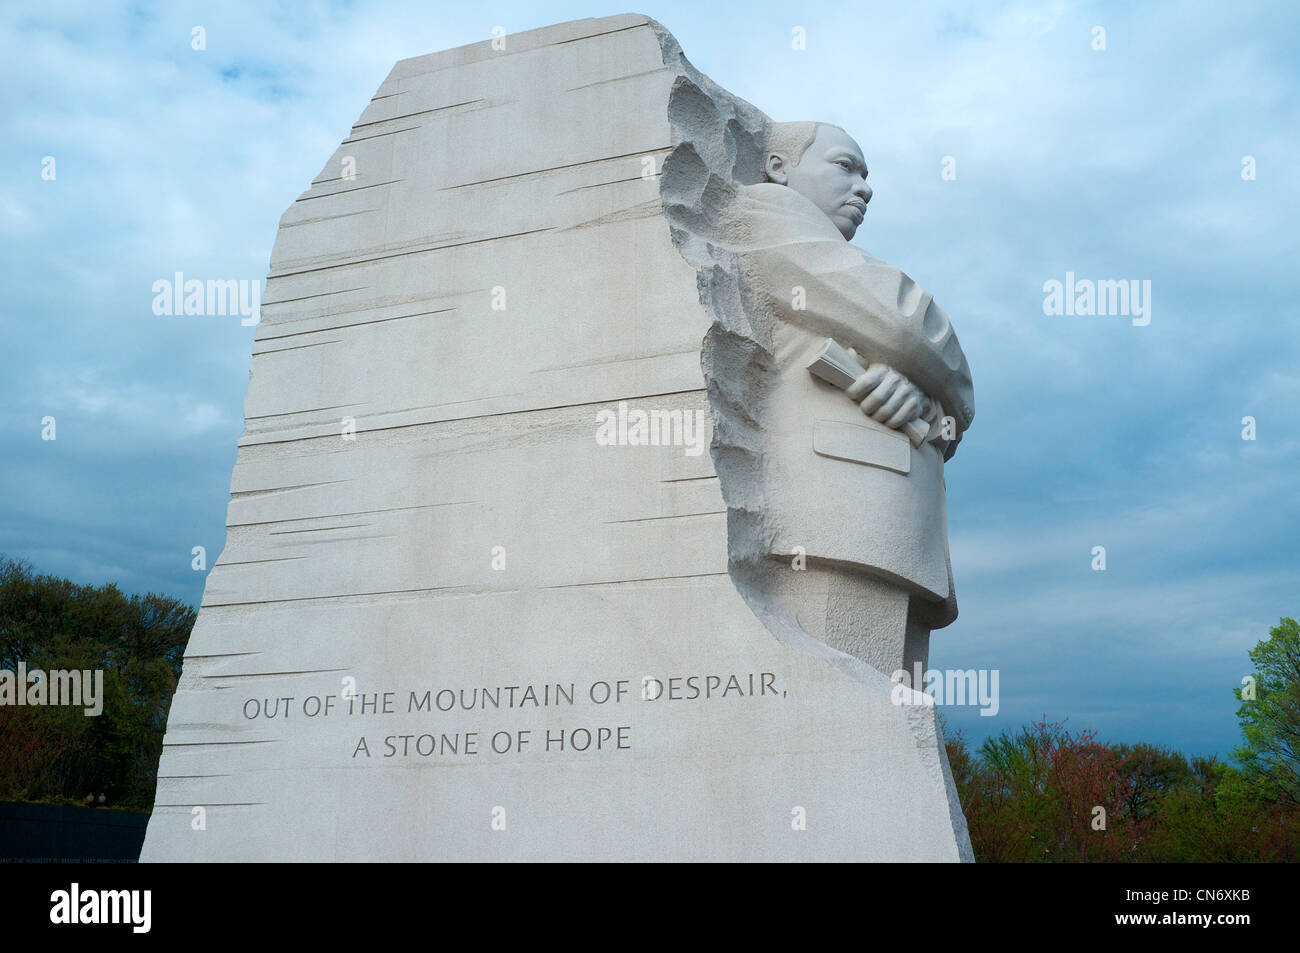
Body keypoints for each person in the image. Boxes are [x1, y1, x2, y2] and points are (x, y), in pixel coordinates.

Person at [709, 121, 975, 678]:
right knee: (842, 722)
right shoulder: (764, 212)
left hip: (882, 516)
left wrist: (921, 395)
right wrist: (931, 372)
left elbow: (935, 399)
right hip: (838, 514)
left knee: (884, 727)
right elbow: (908, 327)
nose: (864, 188)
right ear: (780, 169)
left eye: (867, 175)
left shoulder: (823, 253)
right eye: (844, 166)